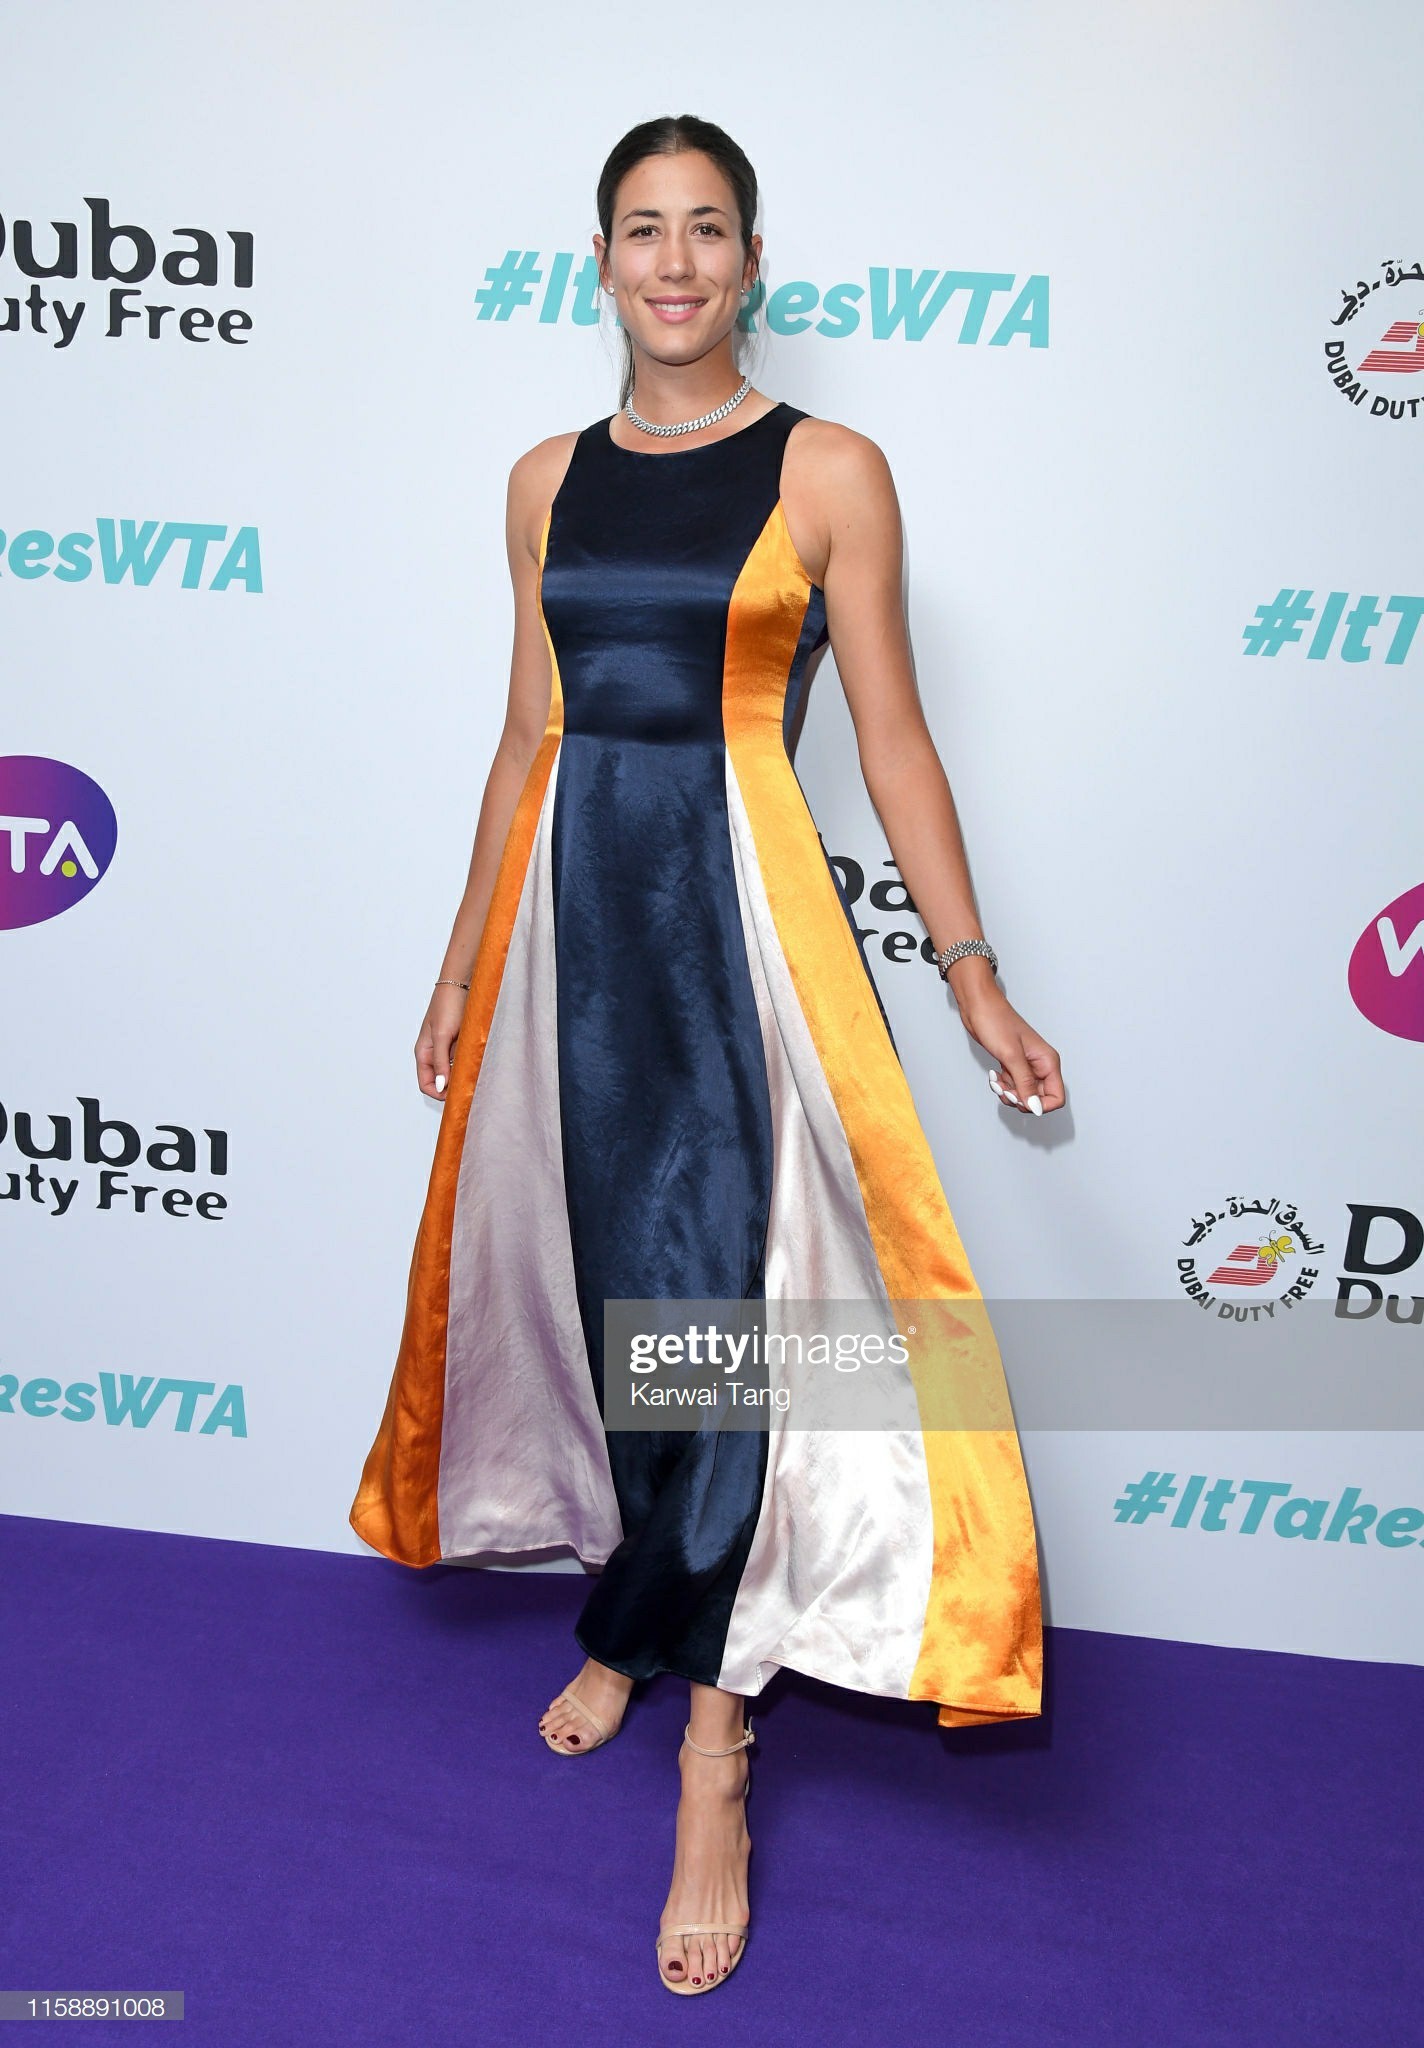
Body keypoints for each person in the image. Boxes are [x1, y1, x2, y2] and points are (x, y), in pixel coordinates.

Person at [350, 113, 1063, 1998]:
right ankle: (635, 1608)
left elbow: (892, 741)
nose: (676, 263)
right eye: (644, 231)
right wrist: (460, 968)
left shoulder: (831, 470)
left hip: (738, 929)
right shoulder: (541, 479)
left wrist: (975, 980)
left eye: (710, 230)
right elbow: (528, 733)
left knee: (734, 1309)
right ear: (600, 260)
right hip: (574, 933)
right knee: (608, 1296)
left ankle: (717, 1749)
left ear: (754, 260)